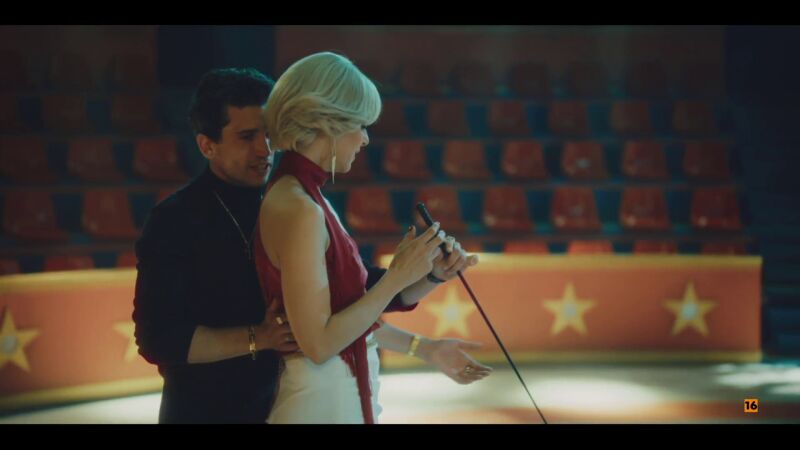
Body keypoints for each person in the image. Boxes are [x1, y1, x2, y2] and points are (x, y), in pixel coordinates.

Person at [133, 67, 489, 424]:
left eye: (269, 134)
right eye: (246, 136)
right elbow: (157, 338)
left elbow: (350, 298)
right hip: (208, 412)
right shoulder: (175, 219)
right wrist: (258, 337)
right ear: (206, 145)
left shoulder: (293, 196)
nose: (264, 149)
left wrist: (430, 279)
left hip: (279, 401)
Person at [256, 51, 488, 425]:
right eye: (360, 125)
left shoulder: (306, 199)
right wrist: (396, 276)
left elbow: (348, 314)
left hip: (333, 399)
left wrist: (429, 276)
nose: (365, 139)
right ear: (328, 122)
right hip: (319, 405)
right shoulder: (299, 207)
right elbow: (319, 343)